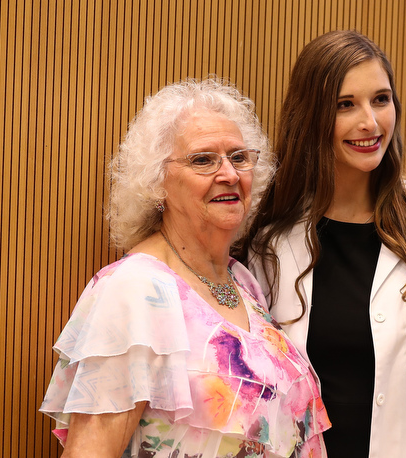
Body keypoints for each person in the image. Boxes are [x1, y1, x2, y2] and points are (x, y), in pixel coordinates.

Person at [235, 30, 406, 457]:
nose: (370, 123)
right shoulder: (271, 237)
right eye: (345, 105)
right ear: (313, 116)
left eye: (380, 99)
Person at [40, 78, 330, 458]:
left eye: (239, 157)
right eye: (203, 160)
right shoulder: (134, 291)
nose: (229, 174)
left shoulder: (242, 281)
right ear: (157, 182)